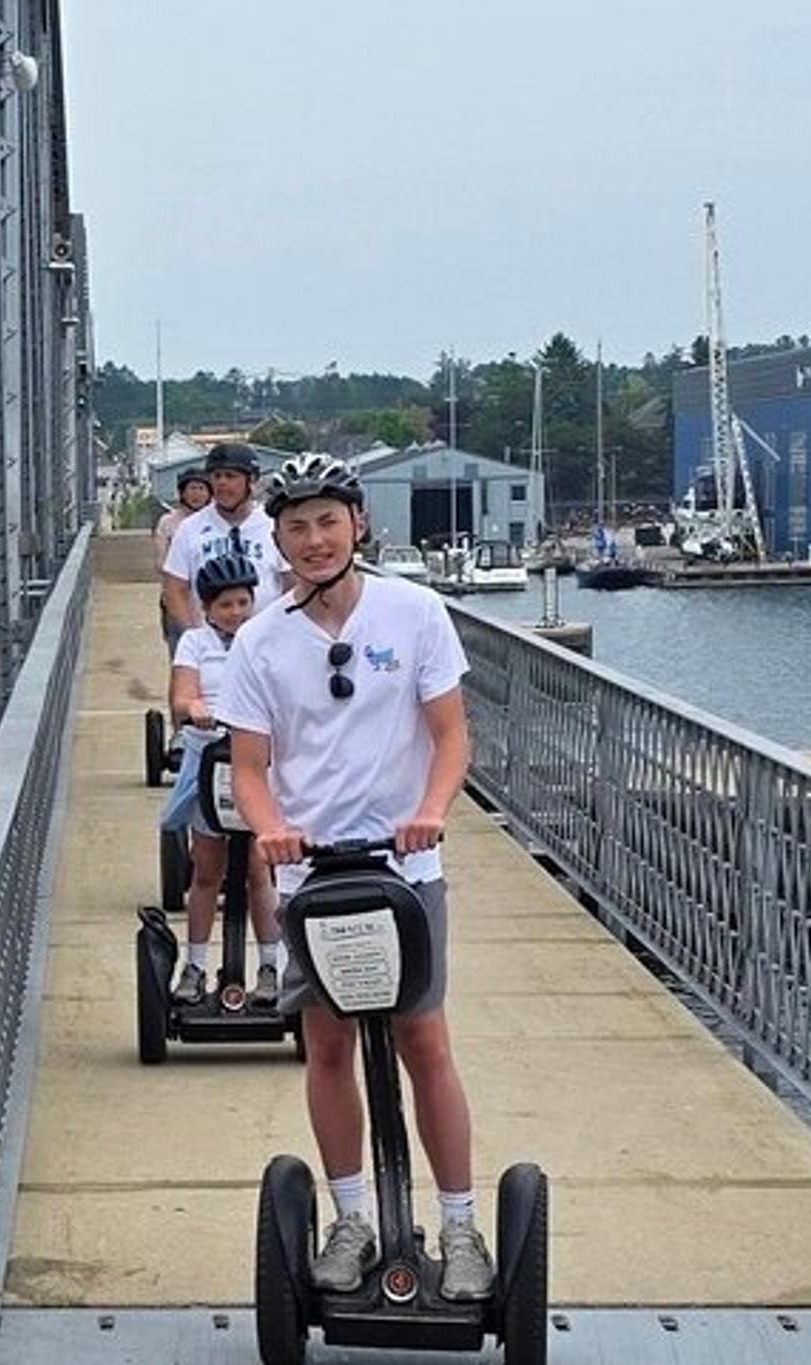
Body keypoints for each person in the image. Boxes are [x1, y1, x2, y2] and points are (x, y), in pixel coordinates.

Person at [216, 452, 494, 1303]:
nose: (315, 540)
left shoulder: (414, 611)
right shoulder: (260, 641)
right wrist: (271, 829)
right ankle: (349, 1219)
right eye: (297, 526)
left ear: (358, 524)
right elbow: (250, 767)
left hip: (406, 868)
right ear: (278, 539)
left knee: (424, 1041)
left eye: (328, 522)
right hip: (311, 876)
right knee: (329, 1045)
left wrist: (432, 809)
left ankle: (460, 1225)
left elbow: (451, 735)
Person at [157, 551, 282, 1008]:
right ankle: (194, 966)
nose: (236, 612)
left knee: (257, 870)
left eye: (243, 602)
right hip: (210, 760)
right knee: (207, 869)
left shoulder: (267, 640)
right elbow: (181, 696)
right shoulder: (195, 643)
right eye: (225, 605)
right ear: (207, 608)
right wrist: (194, 708)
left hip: (255, 761)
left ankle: (271, 966)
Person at [160, 443, 287, 641]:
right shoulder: (190, 529)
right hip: (212, 643)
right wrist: (194, 637)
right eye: (216, 476)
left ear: (252, 480)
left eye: (230, 476)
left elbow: (292, 585)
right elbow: (175, 589)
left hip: (266, 641)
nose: (221, 483)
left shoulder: (273, 525)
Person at [154, 468, 212, 655]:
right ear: (182, 493)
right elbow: (161, 562)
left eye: (202, 489)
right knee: (181, 651)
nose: (197, 494)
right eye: (192, 488)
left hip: (211, 598)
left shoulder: (215, 521)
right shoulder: (168, 522)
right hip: (177, 597)